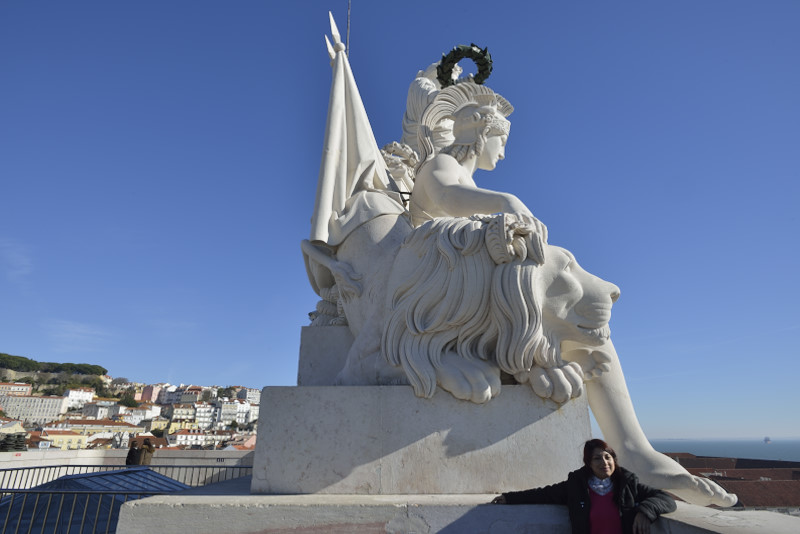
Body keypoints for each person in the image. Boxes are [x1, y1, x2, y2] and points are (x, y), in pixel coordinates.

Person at [409, 80, 547, 246]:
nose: (502, 154)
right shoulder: (443, 162)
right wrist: (505, 201)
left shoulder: (469, 183)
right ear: (483, 132)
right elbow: (446, 195)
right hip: (422, 257)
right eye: (502, 142)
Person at [491, 439, 676, 534]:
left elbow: (666, 499)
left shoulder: (627, 483)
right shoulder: (576, 486)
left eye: (607, 457)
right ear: (588, 463)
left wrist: (645, 511)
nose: (604, 462)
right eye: (597, 458)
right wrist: (510, 497)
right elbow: (544, 494)